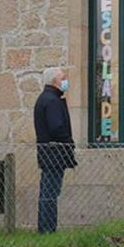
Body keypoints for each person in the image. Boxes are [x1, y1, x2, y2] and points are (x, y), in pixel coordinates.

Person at [33, 67, 76, 233]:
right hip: (54, 154)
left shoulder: (46, 98)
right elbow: (57, 128)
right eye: (63, 78)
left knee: (47, 193)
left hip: (48, 154)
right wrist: (69, 142)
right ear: (55, 81)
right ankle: (48, 229)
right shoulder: (51, 101)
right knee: (50, 194)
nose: (65, 80)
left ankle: (45, 228)